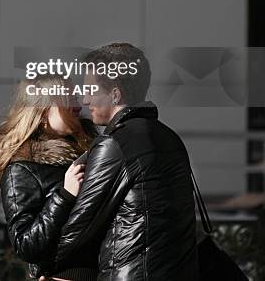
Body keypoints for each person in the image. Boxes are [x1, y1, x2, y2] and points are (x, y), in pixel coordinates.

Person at [38, 43, 199, 281]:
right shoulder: (168, 137)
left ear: (115, 94)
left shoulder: (115, 145)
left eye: (91, 90)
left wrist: (44, 269)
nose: (84, 99)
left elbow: (79, 227)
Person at [0, 74, 99, 281]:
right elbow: (25, 244)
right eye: (68, 99)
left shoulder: (94, 151)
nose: (78, 105)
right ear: (43, 110)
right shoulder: (22, 168)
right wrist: (65, 196)